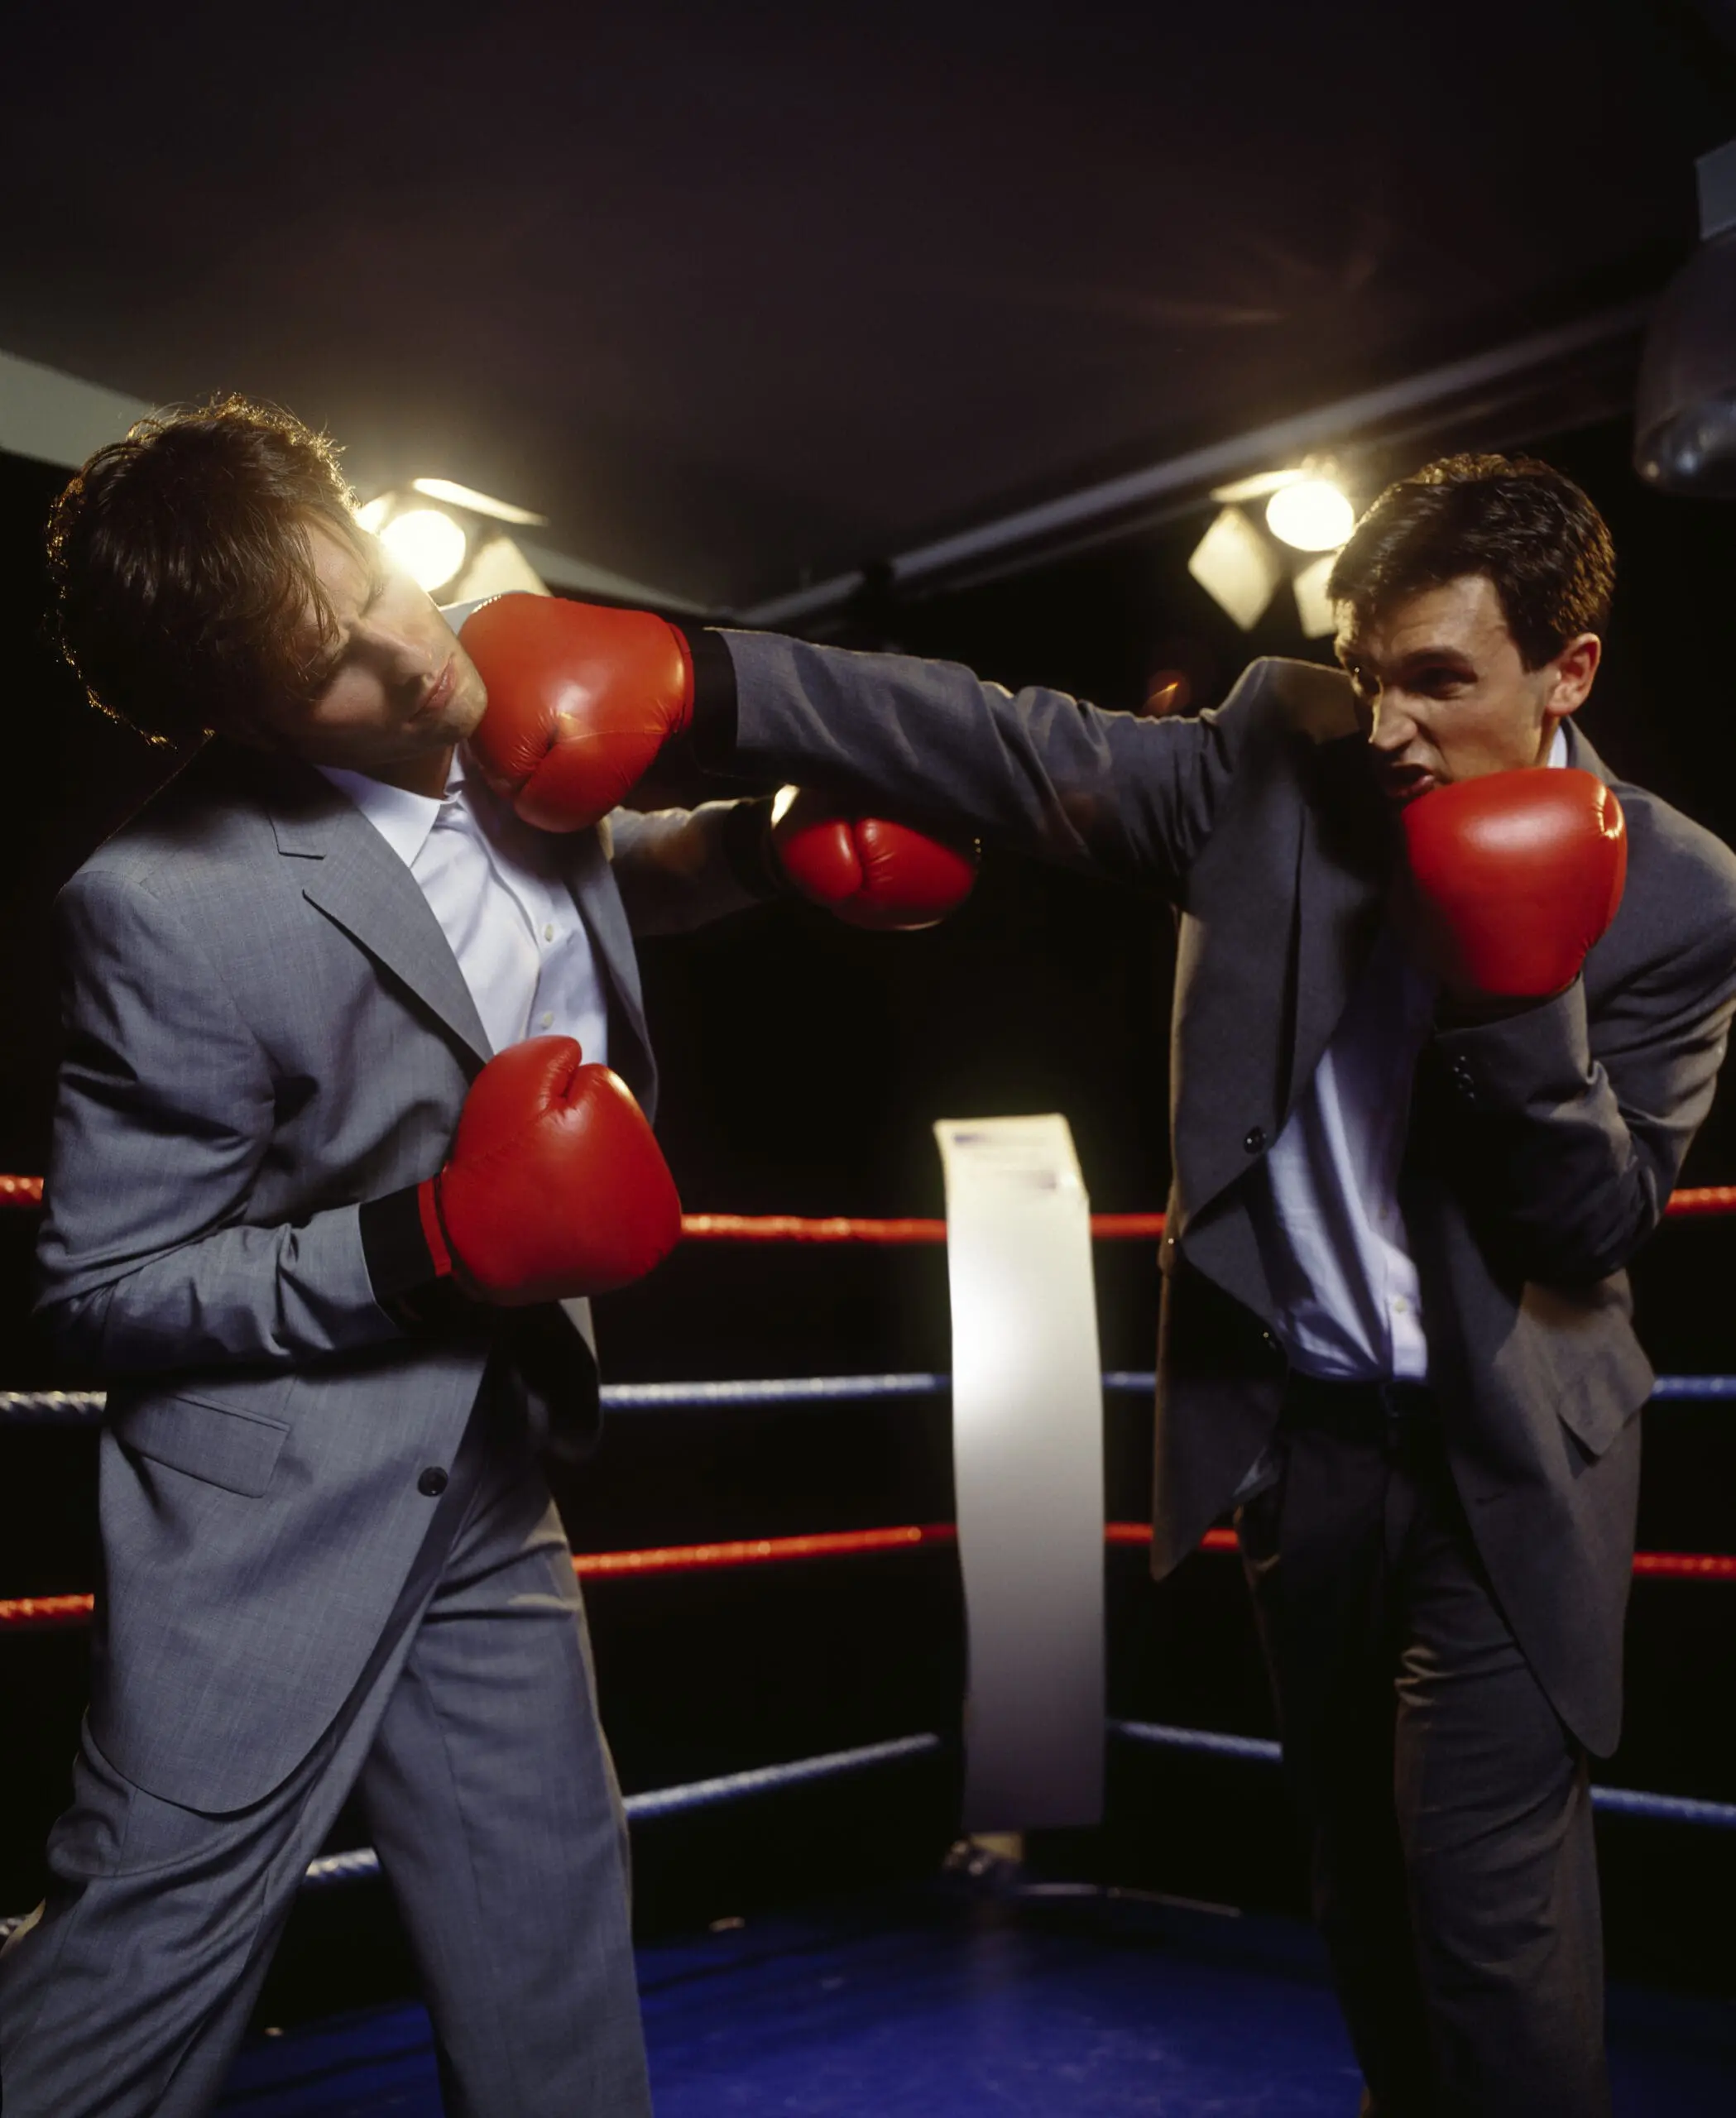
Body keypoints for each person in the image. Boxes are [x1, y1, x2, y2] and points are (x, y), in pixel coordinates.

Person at [454, 453, 1736, 2117]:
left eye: (1440, 678)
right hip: (1312, 1446)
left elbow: (1593, 1223)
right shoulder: (1281, 767)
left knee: (1486, 1927)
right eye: (1372, 674)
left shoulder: (1683, 894)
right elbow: (995, 740)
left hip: (1505, 1465)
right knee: (1359, 1893)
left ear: (1564, 671)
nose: (1395, 724)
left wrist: (1520, 990)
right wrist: (707, 676)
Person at [0, 394, 970, 2117]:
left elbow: (571, 886)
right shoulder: (164, 902)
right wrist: (425, 1240)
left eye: (375, 579)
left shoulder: (508, 714)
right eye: (331, 663)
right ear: (236, 709)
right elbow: (100, 1282)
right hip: (268, 1525)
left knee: (552, 1982)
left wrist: (761, 850)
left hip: (490, 1481)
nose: (408, 653)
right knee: (118, 2008)